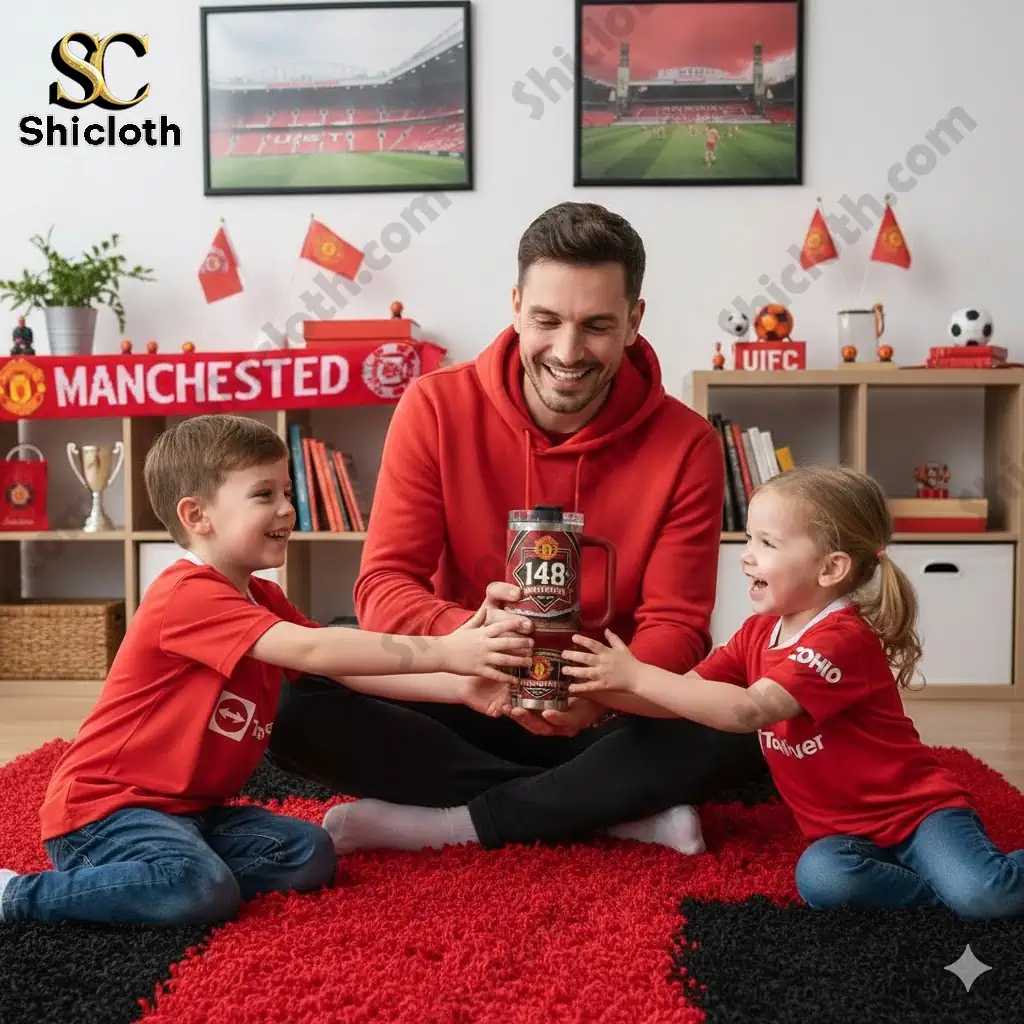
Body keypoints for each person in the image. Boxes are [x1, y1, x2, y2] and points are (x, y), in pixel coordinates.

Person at [268, 201, 769, 857]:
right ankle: (604, 808)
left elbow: (677, 625)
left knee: (749, 721)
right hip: (465, 691)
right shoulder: (434, 406)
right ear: (515, 306)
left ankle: (455, 822)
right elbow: (384, 587)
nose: (567, 352)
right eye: (547, 320)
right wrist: (472, 647)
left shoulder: (688, 443)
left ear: (633, 321)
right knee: (292, 703)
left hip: (605, 709)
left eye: (596, 326)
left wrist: (601, 693)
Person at [0, 415, 532, 927]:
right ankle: (16, 894)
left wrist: (461, 686)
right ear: (196, 515)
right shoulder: (186, 595)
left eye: (287, 492)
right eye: (263, 494)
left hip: (192, 811)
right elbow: (317, 650)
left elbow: (350, 673)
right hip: (103, 814)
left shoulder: (261, 597)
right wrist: (447, 650)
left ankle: (170, 872)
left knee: (309, 853)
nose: (287, 509)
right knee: (198, 887)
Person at [562, 465, 1024, 919]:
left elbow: (749, 711)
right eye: (749, 539)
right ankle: (941, 893)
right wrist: (600, 691)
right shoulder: (758, 633)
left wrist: (636, 676)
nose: (747, 556)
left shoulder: (841, 639)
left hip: (918, 815)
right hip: (844, 836)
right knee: (822, 879)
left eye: (767, 543)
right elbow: (683, 696)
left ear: (831, 568)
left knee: (986, 897)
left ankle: (959, 887)